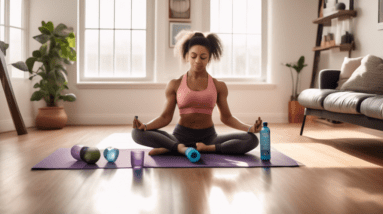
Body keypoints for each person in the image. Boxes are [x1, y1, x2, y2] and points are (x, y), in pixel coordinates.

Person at [132, 30, 263, 156]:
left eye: (203, 57)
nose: (198, 61)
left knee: (252, 140)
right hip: (180, 137)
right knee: (136, 133)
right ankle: (178, 147)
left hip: (209, 138)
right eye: (193, 56)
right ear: (187, 56)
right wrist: (145, 126)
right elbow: (165, 117)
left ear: (209, 58)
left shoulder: (219, 86)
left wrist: (249, 128)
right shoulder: (175, 84)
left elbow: (227, 117)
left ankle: (201, 149)